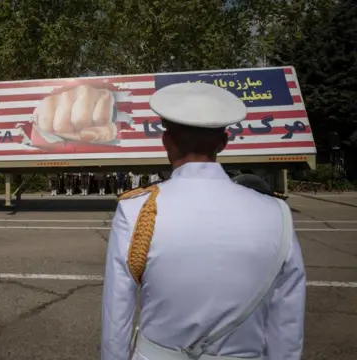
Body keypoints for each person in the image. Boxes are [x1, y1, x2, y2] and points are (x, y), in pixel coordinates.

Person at [101, 82, 305, 360]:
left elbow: (117, 316)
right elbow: (287, 326)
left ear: (166, 141)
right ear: (223, 142)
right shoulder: (276, 213)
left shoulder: (137, 210)